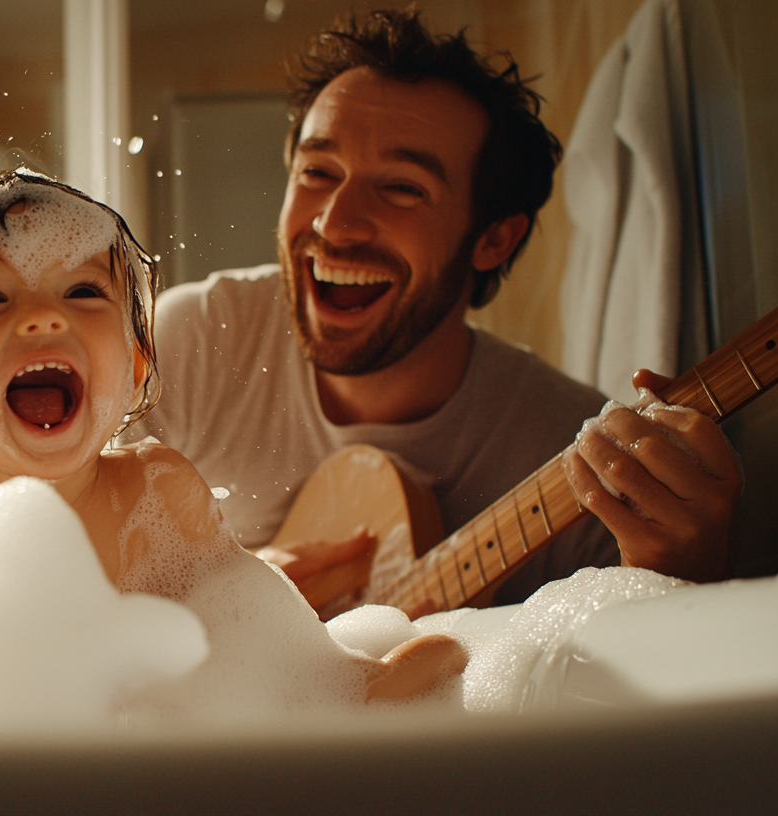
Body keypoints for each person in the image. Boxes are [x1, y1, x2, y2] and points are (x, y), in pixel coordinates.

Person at [0, 169, 466, 702]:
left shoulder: (157, 490)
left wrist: (349, 688)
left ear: (135, 368)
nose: (43, 316)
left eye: (81, 290)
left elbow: (262, 651)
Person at [125, 10, 740, 608]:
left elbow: (636, 690)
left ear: (493, 237)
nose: (334, 224)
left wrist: (684, 574)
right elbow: (65, 574)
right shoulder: (189, 343)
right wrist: (222, 599)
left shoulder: (568, 457)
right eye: (317, 171)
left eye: (401, 188)